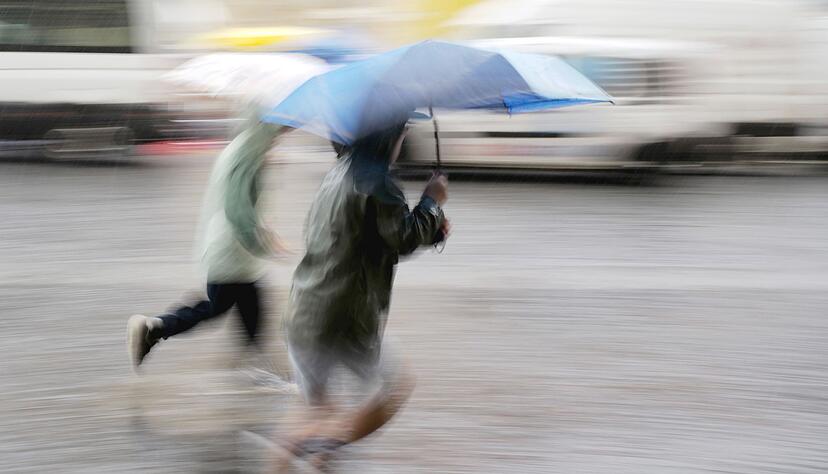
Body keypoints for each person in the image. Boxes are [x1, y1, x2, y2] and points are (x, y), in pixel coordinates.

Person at [275, 121, 450, 468]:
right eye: (400, 132)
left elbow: (372, 235)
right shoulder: (376, 181)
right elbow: (402, 237)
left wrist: (433, 229)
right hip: (342, 318)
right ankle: (311, 443)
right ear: (385, 135)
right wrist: (432, 201)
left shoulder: (337, 173)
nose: (401, 140)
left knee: (317, 411)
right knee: (397, 385)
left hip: (303, 313)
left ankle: (300, 453)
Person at [126, 105, 289, 369]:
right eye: (282, 123)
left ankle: (254, 368)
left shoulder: (248, 148)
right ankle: (154, 327)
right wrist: (263, 242)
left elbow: (248, 203)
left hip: (235, 253)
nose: (286, 130)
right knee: (219, 307)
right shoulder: (248, 154)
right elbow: (238, 210)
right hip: (233, 250)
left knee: (249, 306)